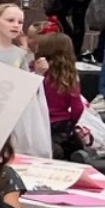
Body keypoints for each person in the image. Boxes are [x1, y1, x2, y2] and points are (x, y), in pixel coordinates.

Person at [32, 33, 88, 161]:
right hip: (62, 123)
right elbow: (78, 108)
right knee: (69, 140)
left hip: (41, 121)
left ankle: (56, 151)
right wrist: (72, 122)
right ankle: (73, 152)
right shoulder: (69, 77)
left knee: (49, 145)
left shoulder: (39, 73)